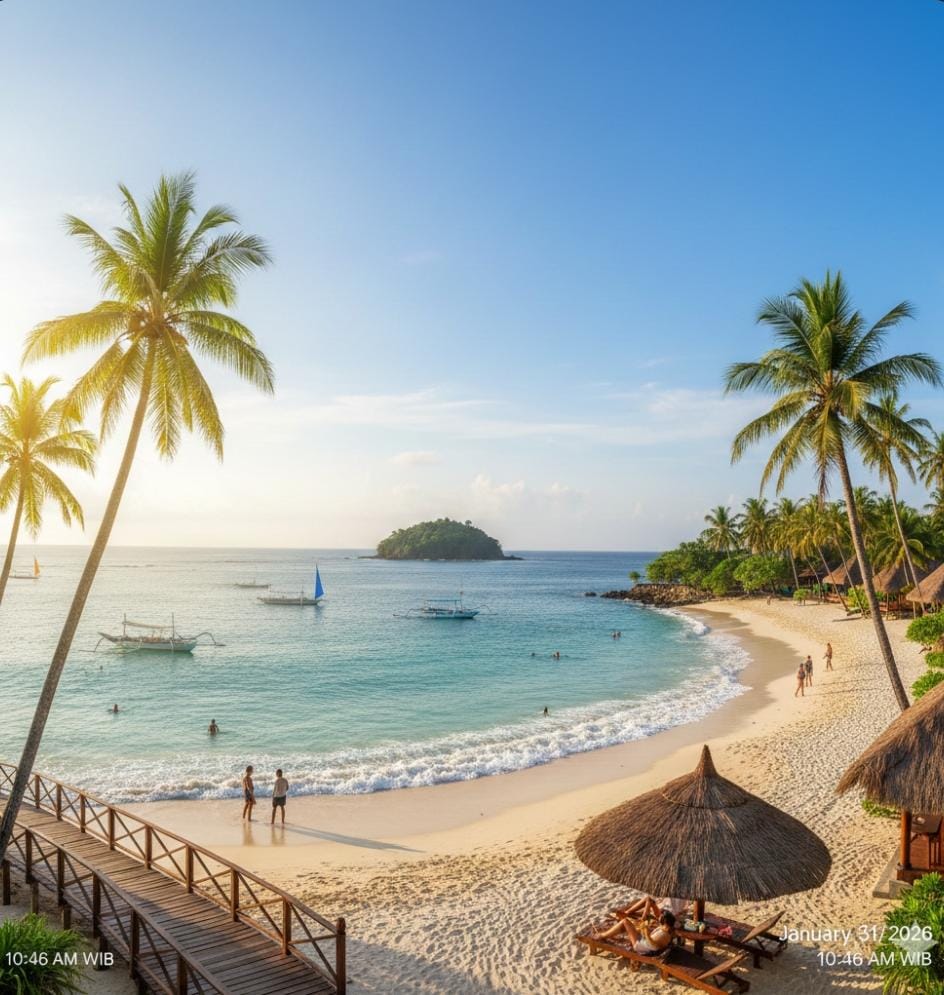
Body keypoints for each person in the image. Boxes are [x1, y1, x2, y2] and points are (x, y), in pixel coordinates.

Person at [595, 909, 676, 954]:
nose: (659, 917)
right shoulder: (667, 929)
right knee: (630, 925)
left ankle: (603, 936)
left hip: (640, 946)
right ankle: (614, 931)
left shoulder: (663, 934)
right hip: (645, 942)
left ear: (664, 920)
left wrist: (646, 933)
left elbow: (655, 945)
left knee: (625, 921)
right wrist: (645, 930)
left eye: (660, 917)